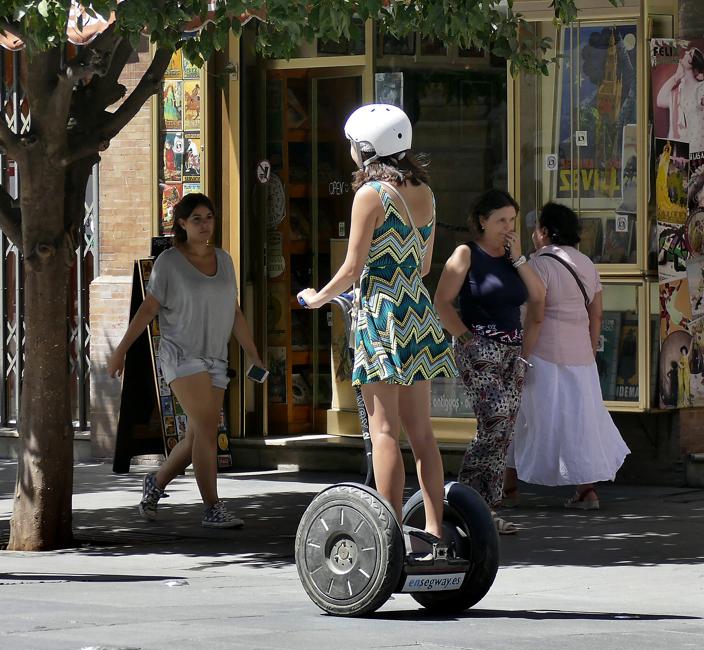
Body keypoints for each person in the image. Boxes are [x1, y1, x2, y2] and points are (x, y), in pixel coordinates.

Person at [297, 104, 456, 554]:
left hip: (382, 312)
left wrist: (318, 297)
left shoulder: (371, 193)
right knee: (422, 432)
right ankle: (434, 531)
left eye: (353, 144)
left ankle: (388, 539)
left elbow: (351, 268)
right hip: (416, 311)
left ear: (366, 148)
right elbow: (424, 264)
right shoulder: (424, 191)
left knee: (385, 431)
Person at [106, 193, 262, 529]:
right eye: (196, 219)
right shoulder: (169, 263)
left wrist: (252, 353)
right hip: (181, 355)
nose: (205, 225)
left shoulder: (225, 259)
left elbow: (233, 311)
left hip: (216, 357)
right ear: (181, 223)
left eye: (209, 217)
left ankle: (156, 483)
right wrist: (120, 350)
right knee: (208, 428)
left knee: (196, 436)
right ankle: (212, 507)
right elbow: (148, 309)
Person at [434, 189, 546, 534]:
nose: (508, 227)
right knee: (495, 423)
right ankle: (464, 500)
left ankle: (480, 509)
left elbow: (539, 296)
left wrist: (519, 259)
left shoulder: (513, 261)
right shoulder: (466, 254)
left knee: (501, 433)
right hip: (480, 349)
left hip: (512, 352)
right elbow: (442, 301)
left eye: (512, 220)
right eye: (501, 220)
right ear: (483, 221)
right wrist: (466, 338)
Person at [510, 203, 629, 510]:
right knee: (579, 421)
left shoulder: (538, 265)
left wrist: (522, 356)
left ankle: (508, 486)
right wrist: (589, 351)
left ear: (545, 232)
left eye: (537, 228)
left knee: (523, 416)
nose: (534, 234)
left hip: (543, 353)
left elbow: (534, 317)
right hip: (581, 356)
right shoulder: (587, 264)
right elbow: (597, 313)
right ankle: (587, 490)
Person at [656, 46, 704, 155]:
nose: (686, 52)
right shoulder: (678, 92)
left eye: (690, 54)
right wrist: (676, 76)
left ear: (694, 64)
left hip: (696, 150)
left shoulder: (701, 89)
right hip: (679, 150)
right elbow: (660, 100)